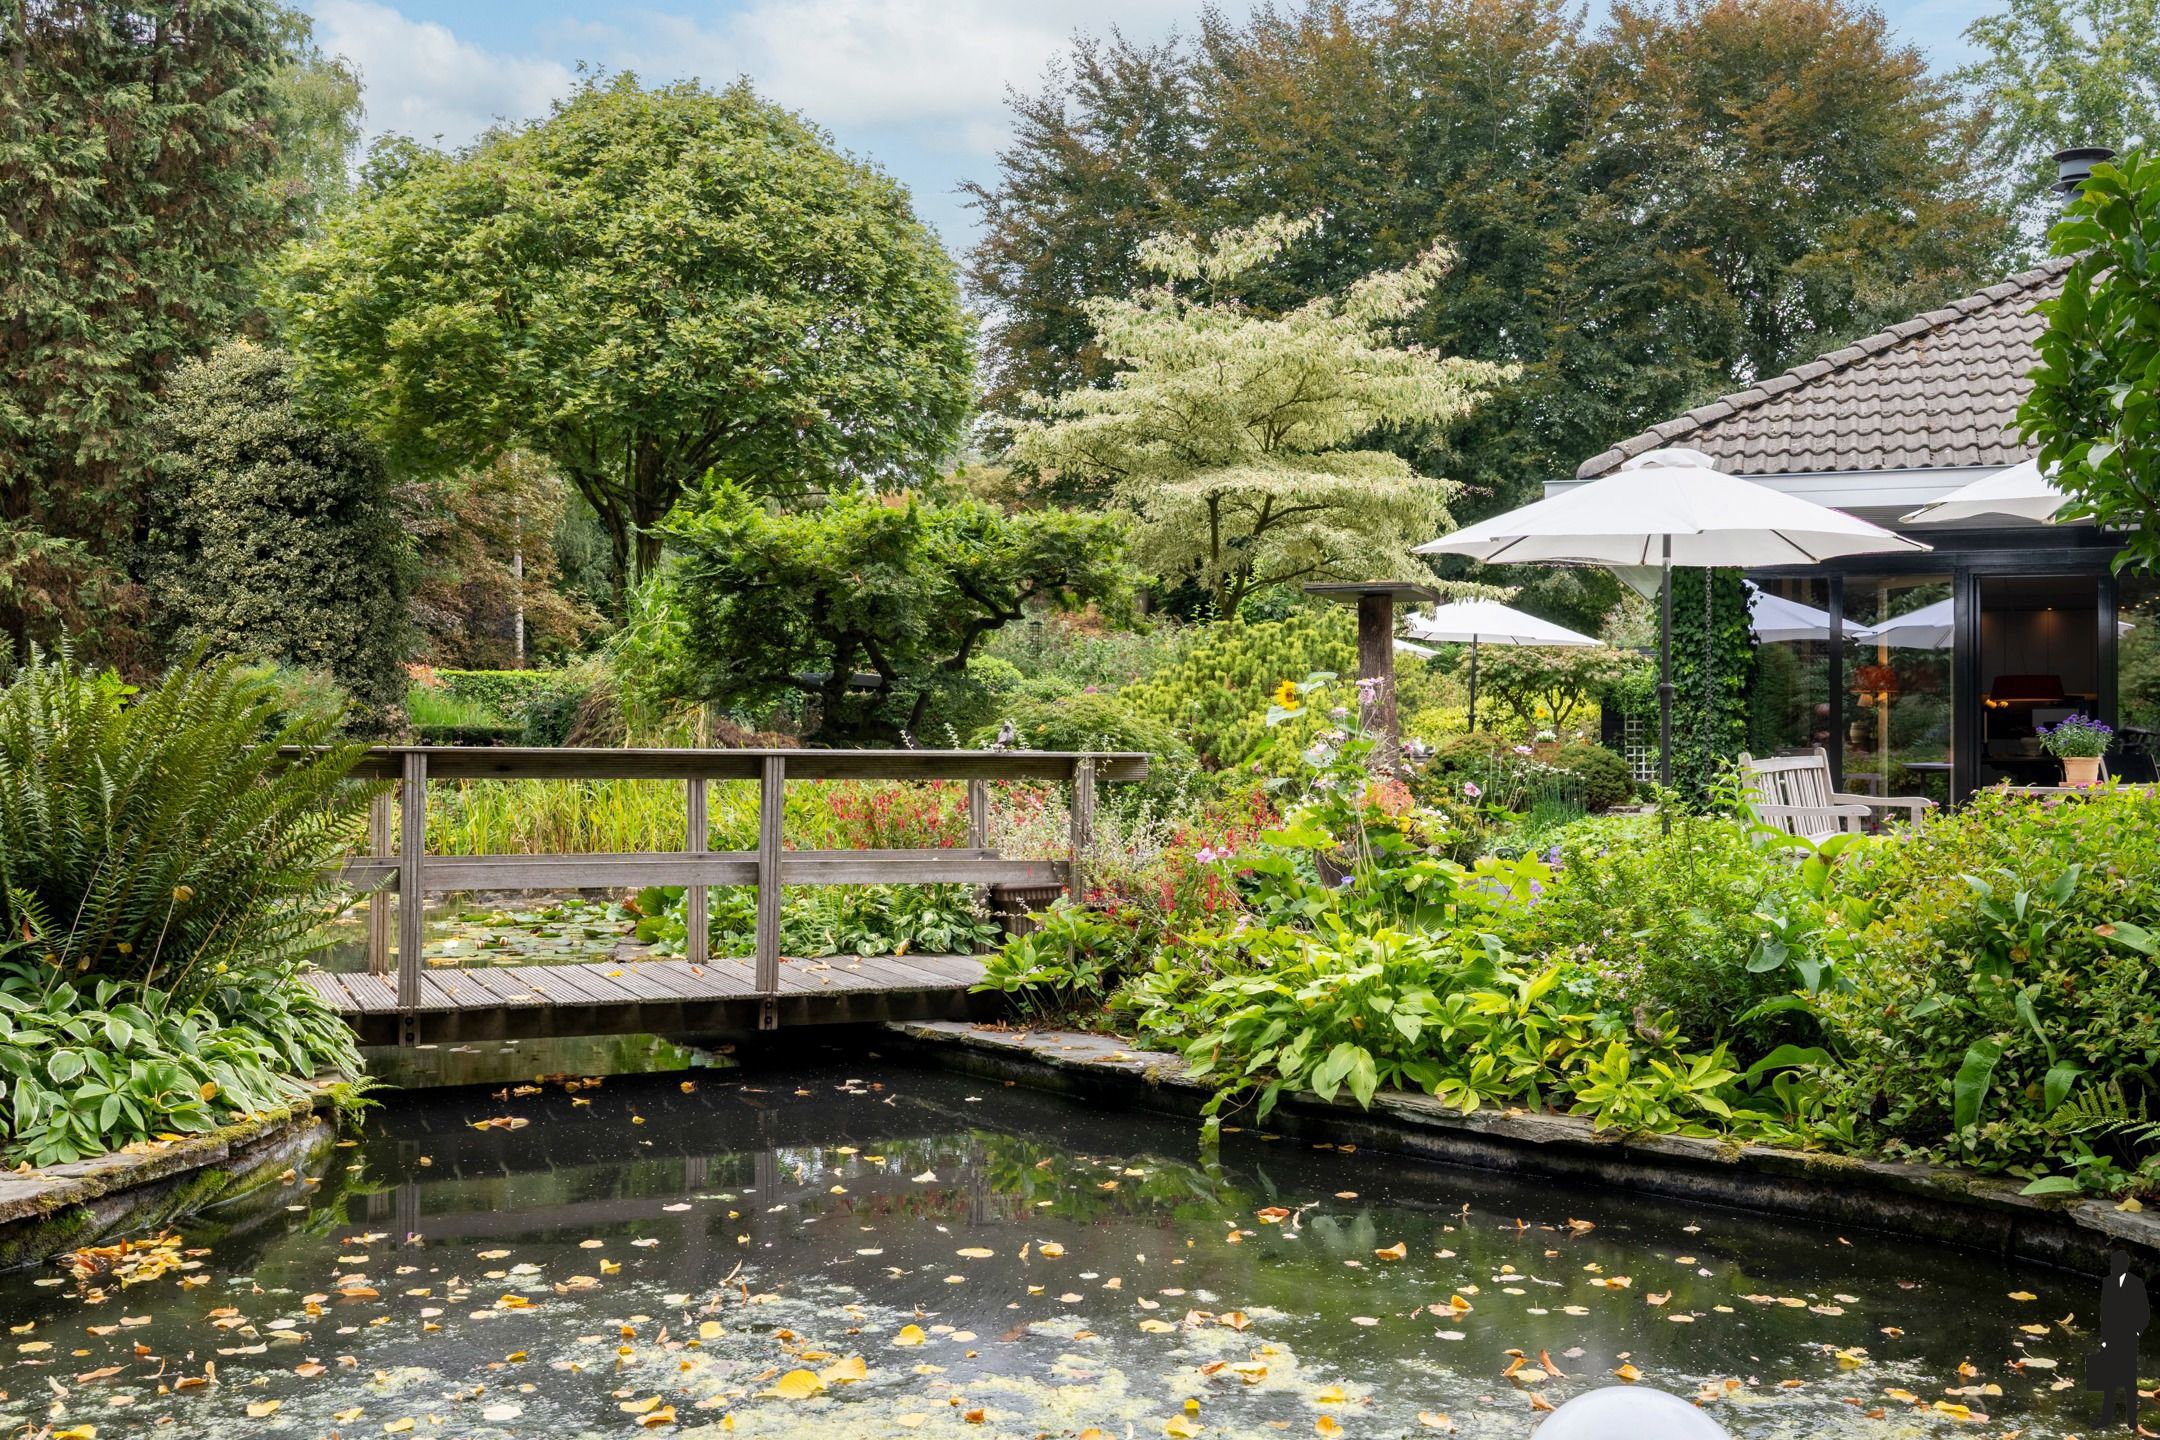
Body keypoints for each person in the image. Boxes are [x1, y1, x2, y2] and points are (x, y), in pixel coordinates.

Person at [2092, 1248, 2149, 1429]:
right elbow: (2104, 1312)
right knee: (2109, 1382)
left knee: (2129, 1382)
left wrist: (2136, 1333)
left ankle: (2132, 1420)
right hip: (2110, 1339)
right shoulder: (2107, 1282)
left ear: (2124, 1265)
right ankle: (2105, 1419)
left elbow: (2144, 1313)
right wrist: (2104, 1338)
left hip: (2129, 1338)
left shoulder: (2136, 1284)